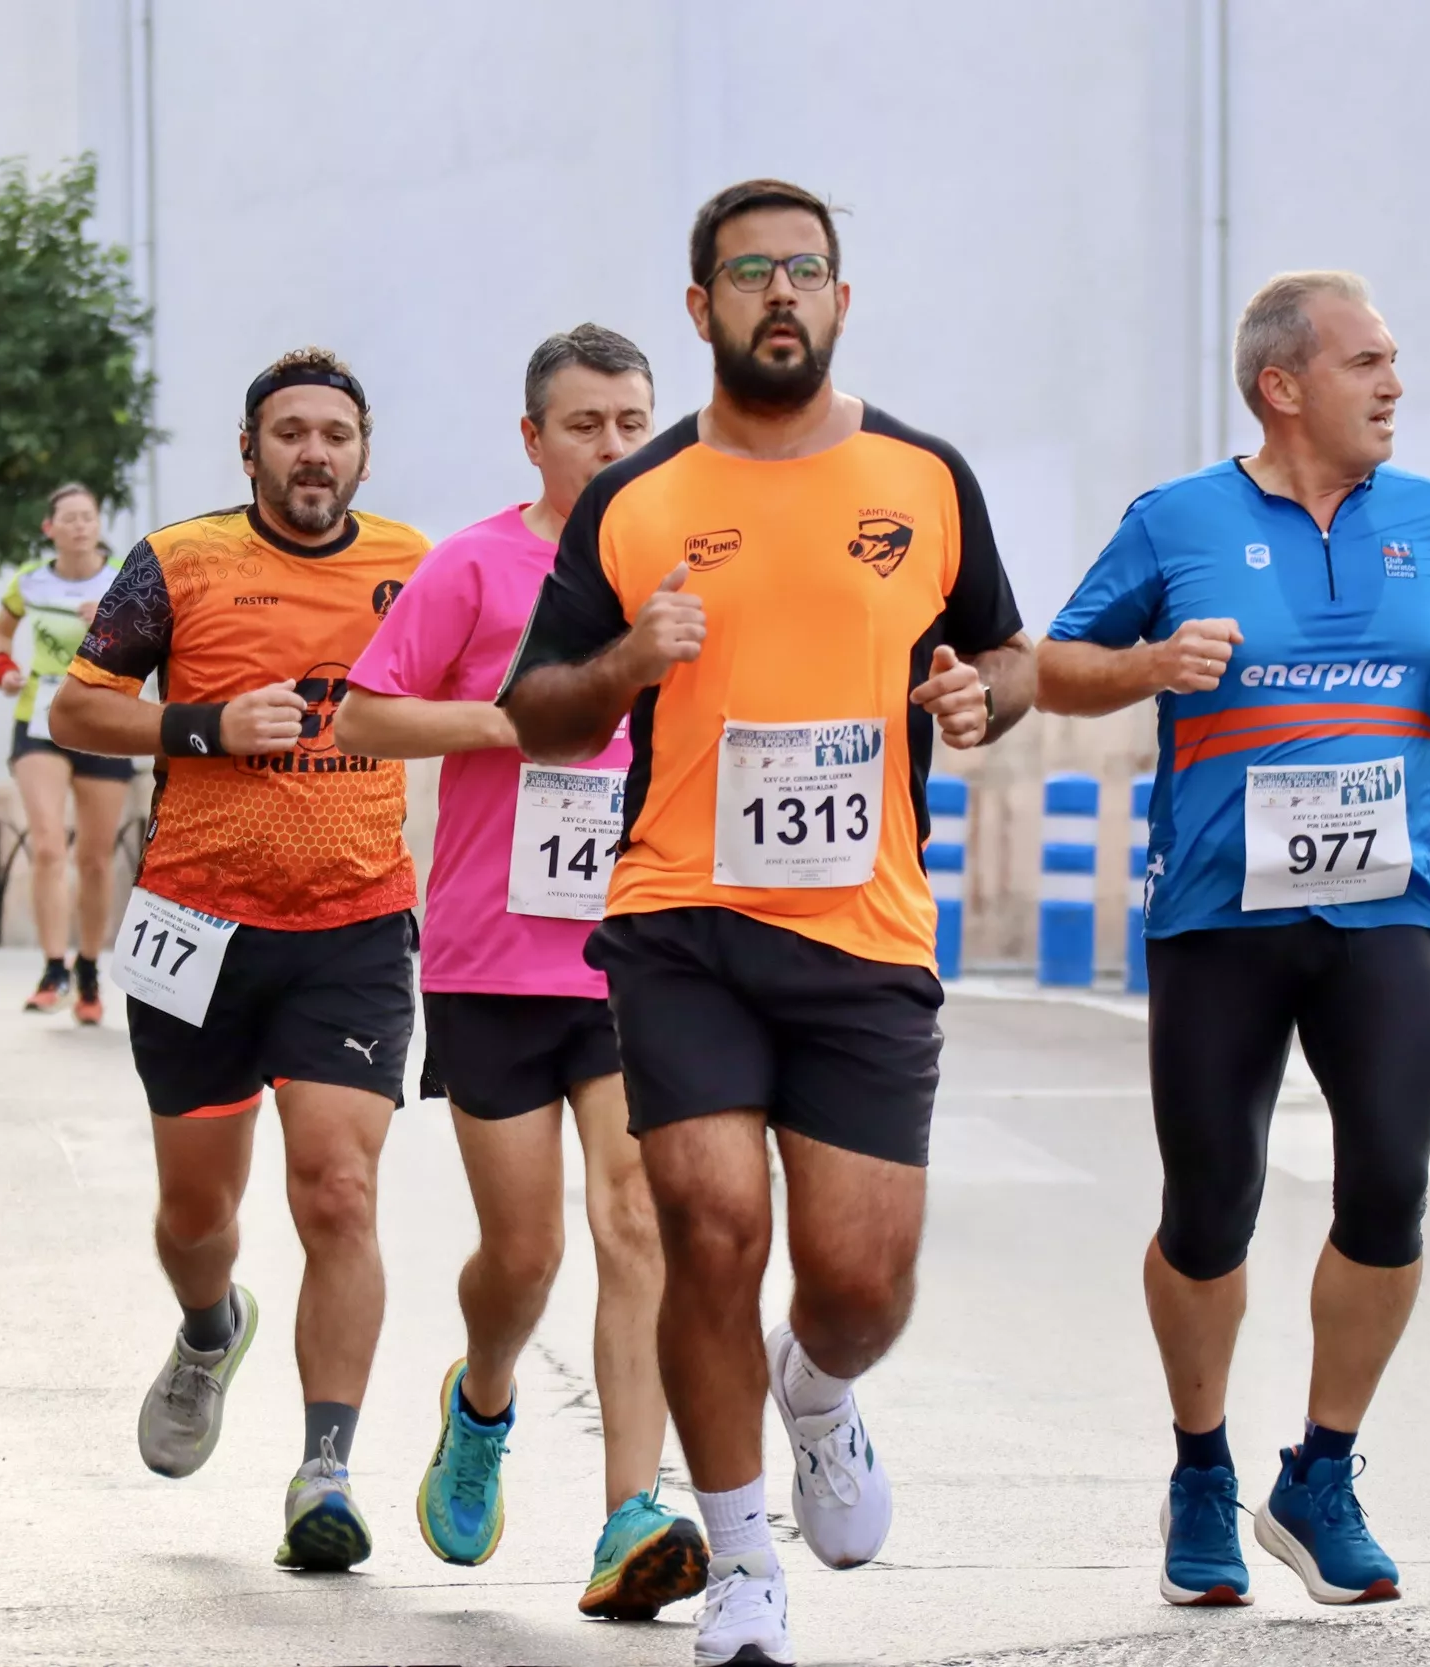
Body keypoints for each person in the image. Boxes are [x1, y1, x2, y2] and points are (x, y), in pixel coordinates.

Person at [500, 180, 1036, 1667]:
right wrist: (623, 660)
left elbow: (1006, 644)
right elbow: (535, 708)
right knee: (710, 1227)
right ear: (702, 307)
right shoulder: (637, 497)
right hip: (682, 919)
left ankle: (817, 1386)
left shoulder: (922, 476)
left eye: (807, 270)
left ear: (843, 300)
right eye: (751, 273)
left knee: (862, 1278)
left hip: (866, 931)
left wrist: (985, 693)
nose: (781, 294)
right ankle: (741, 1558)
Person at [1036, 270, 1430, 1611]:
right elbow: (1052, 664)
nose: (1395, 383)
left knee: (1392, 1190)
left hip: (1384, 914)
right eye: (1368, 362)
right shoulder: (1177, 519)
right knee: (1211, 1204)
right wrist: (1150, 664)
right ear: (1282, 385)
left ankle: (1322, 1468)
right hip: (1217, 919)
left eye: (1396, 359)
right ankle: (1198, 1467)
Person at [335, 324, 707, 1619]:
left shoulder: (684, 571)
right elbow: (363, 713)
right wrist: (515, 713)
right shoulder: (476, 566)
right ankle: (482, 1395)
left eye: (634, 421)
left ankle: (630, 1513)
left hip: (638, 947)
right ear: (533, 435)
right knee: (526, 1247)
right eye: (587, 423)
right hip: (494, 956)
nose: (614, 444)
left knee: (635, 1214)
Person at [49, 347, 431, 1572]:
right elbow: (76, 707)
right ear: (250, 447)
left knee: (338, 1188)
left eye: (334, 433)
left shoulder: (411, 567)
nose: (313, 452)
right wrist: (201, 724)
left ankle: (327, 1468)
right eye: (290, 432)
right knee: (196, 1211)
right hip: (196, 927)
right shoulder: (180, 561)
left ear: (362, 449)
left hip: (355, 926)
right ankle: (209, 1330)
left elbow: (492, 698)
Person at [0, 482, 138, 1024]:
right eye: (68, 518)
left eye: (88, 516)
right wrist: (3, 669)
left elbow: (156, 639)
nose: (79, 525)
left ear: (98, 525)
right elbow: (1, 634)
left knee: (94, 858)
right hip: (39, 720)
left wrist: (112, 620)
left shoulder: (127, 573)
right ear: (50, 528)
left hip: (102, 719)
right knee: (48, 845)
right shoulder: (30, 581)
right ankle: (53, 966)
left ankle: (89, 970)